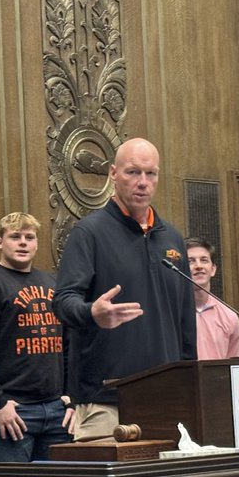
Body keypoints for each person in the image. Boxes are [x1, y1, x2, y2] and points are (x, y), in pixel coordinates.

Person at [52, 138, 196, 439]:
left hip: (166, 401)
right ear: (113, 174)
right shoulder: (89, 233)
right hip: (106, 402)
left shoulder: (172, 239)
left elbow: (185, 323)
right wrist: (92, 312)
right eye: (133, 172)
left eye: (151, 173)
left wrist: (188, 387)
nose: (143, 182)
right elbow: (63, 302)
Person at [0, 212, 72, 461]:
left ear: (36, 243)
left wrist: (72, 397)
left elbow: (70, 344)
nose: (23, 242)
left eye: (29, 237)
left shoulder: (53, 284)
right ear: (0, 242)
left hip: (57, 411)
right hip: (12, 412)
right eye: (15, 236)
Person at [185, 237, 239, 360]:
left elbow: (232, 366)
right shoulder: (170, 313)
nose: (198, 266)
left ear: (213, 269)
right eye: (191, 261)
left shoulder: (229, 317)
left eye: (204, 260)